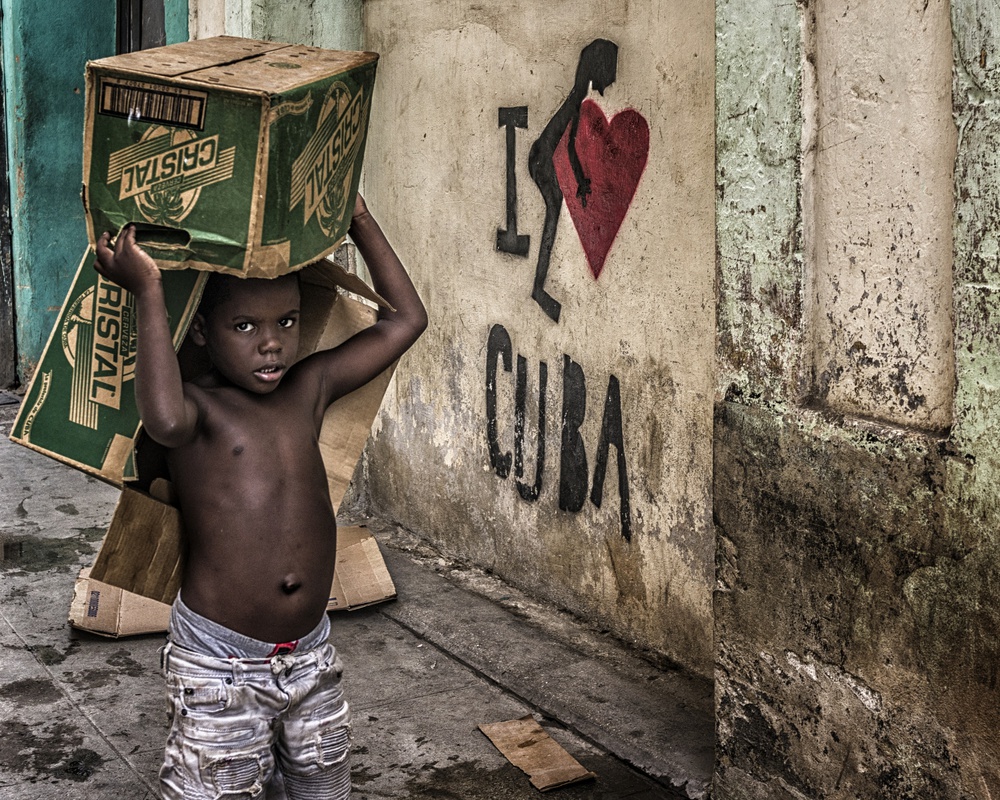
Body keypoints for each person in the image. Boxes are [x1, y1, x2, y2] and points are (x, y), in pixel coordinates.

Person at [94, 193, 427, 800]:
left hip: (310, 655)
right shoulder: (200, 409)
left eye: (287, 322)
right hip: (221, 664)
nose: (271, 344)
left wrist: (358, 217)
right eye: (244, 326)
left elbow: (405, 320)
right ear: (201, 328)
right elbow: (162, 421)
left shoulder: (310, 387)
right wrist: (147, 291)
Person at [528, 38, 618, 323]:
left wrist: (578, 180)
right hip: (543, 159)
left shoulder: (578, 96)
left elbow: (569, 146)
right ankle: (538, 288)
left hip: (544, 157)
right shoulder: (578, 100)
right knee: (552, 217)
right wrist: (578, 180)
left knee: (553, 218)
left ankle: (539, 287)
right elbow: (568, 146)